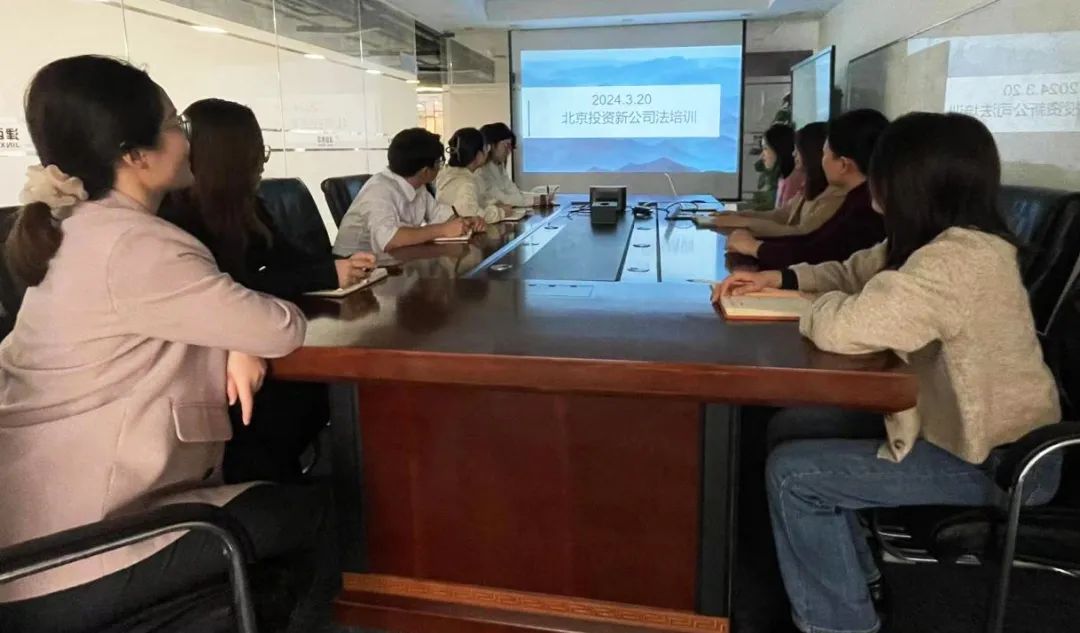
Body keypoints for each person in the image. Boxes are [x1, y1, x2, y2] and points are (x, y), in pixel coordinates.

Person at [0, 56, 331, 633]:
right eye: (176, 124)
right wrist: (237, 338)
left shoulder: (79, 230)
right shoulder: (137, 244)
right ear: (134, 154)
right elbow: (280, 327)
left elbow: (205, 316)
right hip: (85, 551)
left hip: (43, 543)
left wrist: (230, 339)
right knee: (334, 515)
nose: (187, 140)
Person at [712, 112, 1062, 633]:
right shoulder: (934, 240)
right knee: (791, 426)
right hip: (946, 427)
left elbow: (846, 327)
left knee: (795, 477)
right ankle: (860, 579)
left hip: (1001, 461)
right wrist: (781, 278)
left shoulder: (960, 260)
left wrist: (807, 304)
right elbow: (853, 270)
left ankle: (840, 623)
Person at [161, 98, 375, 483]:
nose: (262, 163)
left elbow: (287, 260)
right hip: (215, 367)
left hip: (254, 338)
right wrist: (325, 273)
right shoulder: (176, 219)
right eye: (257, 152)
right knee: (310, 398)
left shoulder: (247, 206)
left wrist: (335, 267)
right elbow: (232, 288)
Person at [725, 109, 889, 268]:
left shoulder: (862, 207)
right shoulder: (857, 198)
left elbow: (814, 250)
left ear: (844, 164)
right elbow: (810, 241)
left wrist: (755, 246)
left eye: (825, 154)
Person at [333, 127, 483, 255]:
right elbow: (389, 240)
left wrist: (466, 222)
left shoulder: (418, 186)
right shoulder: (379, 190)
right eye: (439, 162)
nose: (440, 167)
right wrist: (442, 230)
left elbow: (439, 214)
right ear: (425, 171)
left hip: (391, 261)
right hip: (353, 267)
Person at [712, 122, 844, 238]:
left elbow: (801, 234)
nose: (793, 154)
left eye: (798, 150)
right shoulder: (809, 186)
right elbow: (781, 214)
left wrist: (744, 223)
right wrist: (740, 216)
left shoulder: (834, 196)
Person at [436, 127, 515, 223]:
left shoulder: (447, 173)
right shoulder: (466, 183)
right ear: (478, 155)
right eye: (486, 148)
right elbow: (475, 217)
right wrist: (501, 212)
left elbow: (478, 202)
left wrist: (495, 205)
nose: (488, 152)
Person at [477, 122, 541, 207]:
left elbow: (513, 191)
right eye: (506, 145)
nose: (509, 151)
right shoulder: (480, 171)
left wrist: (539, 198)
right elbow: (502, 199)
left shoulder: (498, 166)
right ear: (491, 145)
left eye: (510, 146)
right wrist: (535, 200)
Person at [763, 124, 803, 208]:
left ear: (779, 149)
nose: (762, 155)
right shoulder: (785, 178)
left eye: (765, 148)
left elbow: (784, 215)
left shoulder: (793, 181)